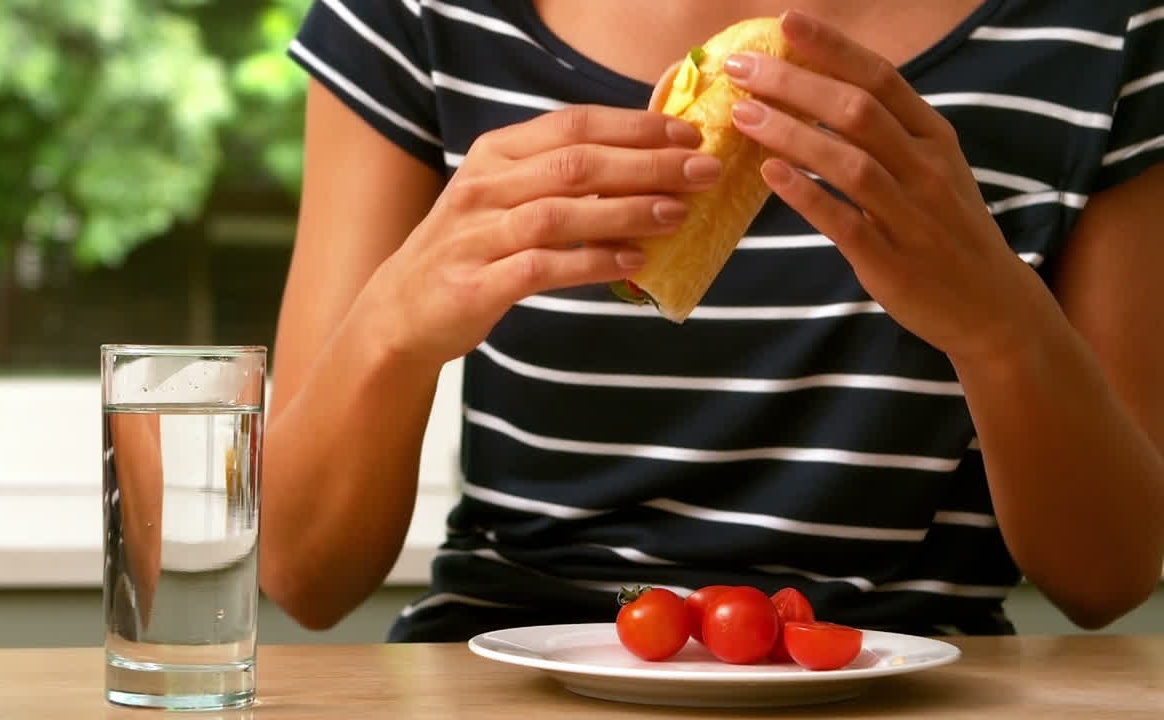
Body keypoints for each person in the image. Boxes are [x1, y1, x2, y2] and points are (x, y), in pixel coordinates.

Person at [260, 0, 1164, 642]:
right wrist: (395, 327)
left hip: (916, 682)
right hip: (505, 669)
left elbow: (1109, 578)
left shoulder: (1101, 25)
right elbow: (301, 576)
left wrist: (1003, 327)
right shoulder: (421, 13)